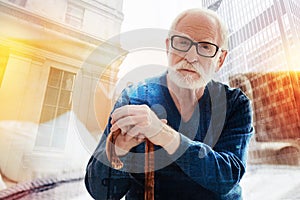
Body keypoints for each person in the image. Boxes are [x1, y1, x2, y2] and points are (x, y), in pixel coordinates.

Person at [85, 8, 253, 200]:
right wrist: (120, 153)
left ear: (220, 59)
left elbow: (226, 178)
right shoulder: (135, 97)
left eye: (205, 47)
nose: (191, 57)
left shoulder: (235, 104)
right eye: (182, 42)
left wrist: (164, 135)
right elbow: (99, 192)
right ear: (168, 47)